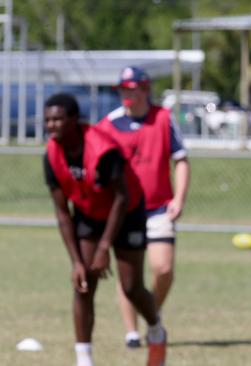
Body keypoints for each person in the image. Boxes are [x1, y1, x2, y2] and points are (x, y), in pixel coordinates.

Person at [43, 93, 167, 366]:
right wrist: (76, 261)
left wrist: (103, 249)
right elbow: (62, 212)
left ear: (74, 120)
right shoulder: (51, 153)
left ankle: (156, 329)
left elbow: (121, 198)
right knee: (83, 282)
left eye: (58, 119)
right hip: (89, 213)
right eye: (48, 120)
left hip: (127, 211)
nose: (52, 125)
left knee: (131, 287)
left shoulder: (101, 148)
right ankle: (84, 359)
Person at [96, 66, 190, 349]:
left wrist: (179, 198)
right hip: (123, 210)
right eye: (123, 88)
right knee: (129, 274)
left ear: (145, 89)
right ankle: (132, 333)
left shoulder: (162, 118)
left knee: (163, 269)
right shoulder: (109, 124)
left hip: (158, 207)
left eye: (132, 88)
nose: (127, 93)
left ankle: (151, 313)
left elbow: (181, 159)